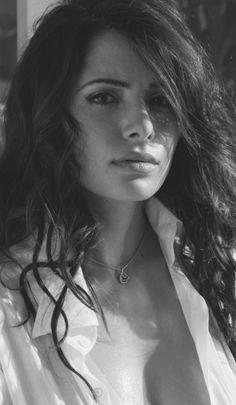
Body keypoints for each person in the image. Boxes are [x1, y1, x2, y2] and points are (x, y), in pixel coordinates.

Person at [0, 0, 236, 404]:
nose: (142, 125)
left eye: (161, 99)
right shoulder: (9, 306)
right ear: (50, 113)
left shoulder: (218, 269)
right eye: (105, 97)